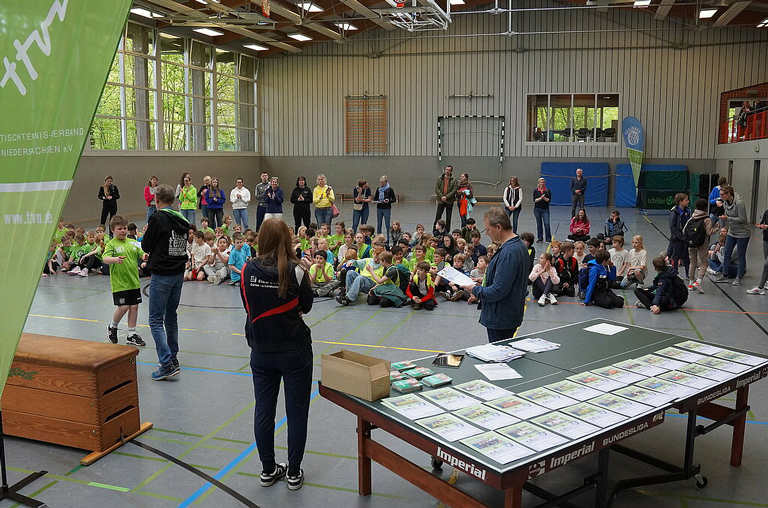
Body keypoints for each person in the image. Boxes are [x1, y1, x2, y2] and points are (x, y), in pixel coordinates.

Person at [239, 218, 313, 492]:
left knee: (263, 410)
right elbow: (307, 305)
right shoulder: (297, 271)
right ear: (286, 239)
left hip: (262, 350)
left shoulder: (247, 269)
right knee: (296, 413)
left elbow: (248, 306)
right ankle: (293, 473)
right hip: (294, 350)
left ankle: (268, 469)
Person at [141, 184, 190, 381]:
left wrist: (147, 232)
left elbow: (146, 245)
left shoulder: (158, 217)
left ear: (157, 200)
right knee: (171, 316)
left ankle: (166, 363)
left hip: (162, 273)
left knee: (155, 319)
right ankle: (174, 357)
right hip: (178, 272)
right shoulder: (182, 219)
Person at [460, 207, 528, 342]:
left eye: (488, 230)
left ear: (498, 227)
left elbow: (498, 290)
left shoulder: (509, 252)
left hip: (501, 317)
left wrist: (474, 289)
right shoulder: (518, 246)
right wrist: (486, 280)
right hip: (507, 313)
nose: (487, 234)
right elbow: (509, 278)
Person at [103, 215, 148, 347]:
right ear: (113, 230)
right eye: (119, 229)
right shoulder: (111, 244)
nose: (123, 231)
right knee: (123, 307)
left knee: (134, 306)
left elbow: (141, 254)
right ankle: (113, 326)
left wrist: (145, 256)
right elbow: (105, 259)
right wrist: (115, 259)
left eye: (125, 228)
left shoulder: (132, 242)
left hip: (133, 281)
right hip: (120, 283)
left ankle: (131, 334)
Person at [715, 185, 749, 286]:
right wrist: (723, 225)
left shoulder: (739, 203)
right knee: (727, 253)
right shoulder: (726, 203)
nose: (721, 197)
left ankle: (739, 277)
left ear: (728, 194)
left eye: (722, 195)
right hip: (732, 231)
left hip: (742, 233)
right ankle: (724, 274)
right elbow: (726, 216)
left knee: (741, 255)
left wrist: (728, 219)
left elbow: (743, 219)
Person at [686, 199, 718, 293]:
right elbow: (709, 232)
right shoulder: (707, 219)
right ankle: (698, 281)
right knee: (704, 262)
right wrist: (716, 228)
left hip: (691, 243)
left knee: (693, 262)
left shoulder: (692, 217)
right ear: (705, 208)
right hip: (702, 243)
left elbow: (685, 230)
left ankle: (691, 283)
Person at [668, 193, 691, 282]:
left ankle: (688, 274)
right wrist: (680, 236)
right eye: (686, 200)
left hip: (685, 238)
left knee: (686, 256)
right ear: (680, 202)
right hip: (677, 239)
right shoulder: (674, 212)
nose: (688, 201)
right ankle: (675, 274)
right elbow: (672, 227)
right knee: (676, 257)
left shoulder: (687, 211)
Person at [747, 204, 768, 295]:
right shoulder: (767, 212)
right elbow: (762, 222)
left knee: (766, 265)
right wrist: (761, 226)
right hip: (766, 239)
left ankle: (760, 287)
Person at [434, 165, 458, 232]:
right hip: (440, 201)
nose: (447, 171)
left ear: (451, 171)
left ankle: (447, 231)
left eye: (449, 170)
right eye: (446, 169)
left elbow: (454, 190)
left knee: (448, 217)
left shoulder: (454, 180)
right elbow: (436, 188)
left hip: (449, 201)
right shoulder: (440, 178)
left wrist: (446, 197)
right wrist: (441, 196)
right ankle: (435, 231)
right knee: (438, 216)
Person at [375, 176, 396, 243]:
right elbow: (375, 198)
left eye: (383, 183)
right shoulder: (378, 189)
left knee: (387, 224)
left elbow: (394, 199)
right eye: (381, 182)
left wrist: (388, 200)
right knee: (379, 224)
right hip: (379, 207)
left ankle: (388, 239)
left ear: (386, 182)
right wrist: (376, 201)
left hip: (386, 208)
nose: (381, 184)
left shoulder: (389, 189)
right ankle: (378, 238)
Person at [532, 178, 552, 243]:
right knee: (539, 223)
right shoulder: (535, 191)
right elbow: (535, 200)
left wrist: (544, 198)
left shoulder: (547, 191)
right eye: (541, 182)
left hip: (545, 209)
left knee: (547, 224)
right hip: (537, 209)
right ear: (539, 183)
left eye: (543, 182)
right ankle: (540, 238)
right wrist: (541, 198)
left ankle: (548, 238)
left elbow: (548, 200)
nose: (542, 184)